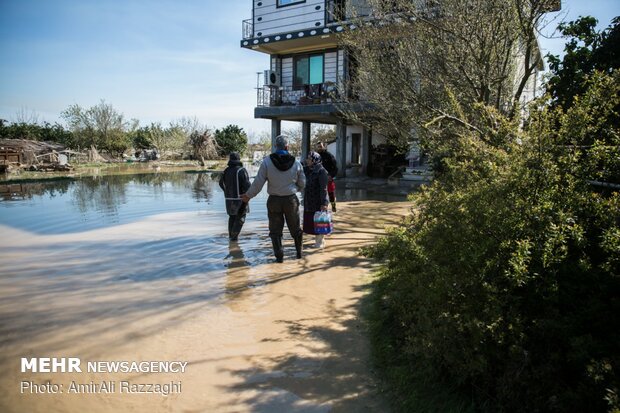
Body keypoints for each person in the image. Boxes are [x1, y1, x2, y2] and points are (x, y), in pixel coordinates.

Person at [241, 135, 305, 263]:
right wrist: (294, 189)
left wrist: (248, 196)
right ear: (287, 147)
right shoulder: (296, 163)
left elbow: (258, 183)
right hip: (291, 200)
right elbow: (303, 183)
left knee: (275, 232)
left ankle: (279, 257)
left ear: (276, 146)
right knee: (295, 229)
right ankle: (299, 254)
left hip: (274, 201)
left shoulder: (267, 162)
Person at [219, 152, 251, 241]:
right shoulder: (241, 170)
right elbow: (248, 186)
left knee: (232, 218)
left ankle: (231, 238)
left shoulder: (226, 171)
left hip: (229, 200)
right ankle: (234, 238)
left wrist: (227, 192)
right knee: (241, 218)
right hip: (240, 200)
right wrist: (248, 194)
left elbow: (221, 183)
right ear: (239, 160)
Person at [303, 151, 329, 248]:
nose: (307, 160)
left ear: (314, 160)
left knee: (319, 222)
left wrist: (324, 203)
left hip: (318, 202)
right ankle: (318, 241)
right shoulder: (307, 170)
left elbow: (324, 189)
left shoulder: (321, 171)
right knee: (312, 222)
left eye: (309, 159)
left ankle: (320, 243)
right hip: (309, 201)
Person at [316, 141, 338, 212]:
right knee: (320, 194)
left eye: (321, 146)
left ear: (324, 147)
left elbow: (335, 168)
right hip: (318, 179)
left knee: (331, 194)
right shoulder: (315, 156)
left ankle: (333, 206)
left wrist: (331, 175)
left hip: (328, 178)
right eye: (318, 146)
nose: (319, 148)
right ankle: (321, 210)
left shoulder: (329, 155)